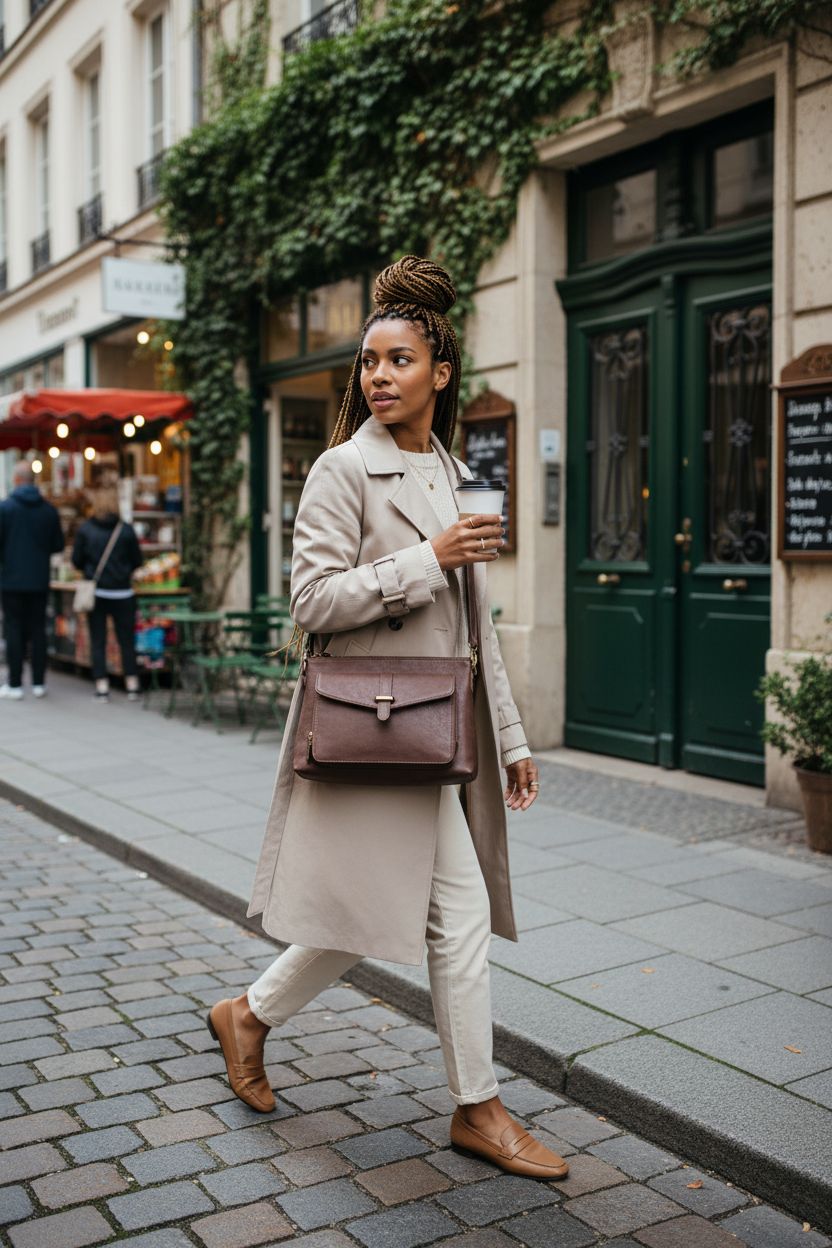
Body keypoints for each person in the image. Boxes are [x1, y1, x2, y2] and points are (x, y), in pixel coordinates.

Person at [207, 256, 567, 1181]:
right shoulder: (342, 470)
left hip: (437, 729)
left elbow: (473, 627)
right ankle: (478, 1108)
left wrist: (514, 739)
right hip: (373, 726)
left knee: (391, 908)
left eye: (399, 360)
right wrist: (427, 559)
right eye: (370, 361)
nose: (378, 376)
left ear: (439, 373)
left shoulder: (455, 472)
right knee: (438, 911)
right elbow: (312, 604)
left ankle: (248, 1015)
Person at [0, 460, 64, 700]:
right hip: (39, 579)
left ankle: (15, 683)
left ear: (16, 480)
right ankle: (39, 682)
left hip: (12, 580)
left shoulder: (5, 508)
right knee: (38, 630)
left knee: (13, 629)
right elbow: (57, 544)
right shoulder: (48, 510)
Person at [72, 488, 143, 702]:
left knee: (98, 640)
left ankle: (102, 686)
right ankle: (132, 684)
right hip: (123, 593)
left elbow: (77, 560)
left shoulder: (86, 530)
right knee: (127, 641)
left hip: (98, 593)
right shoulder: (126, 530)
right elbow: (137, 561)